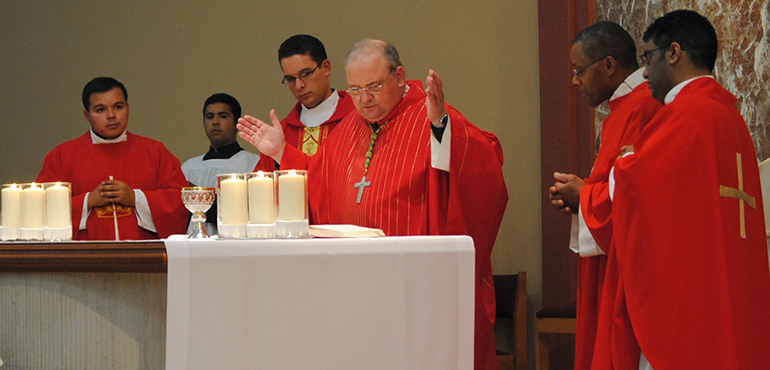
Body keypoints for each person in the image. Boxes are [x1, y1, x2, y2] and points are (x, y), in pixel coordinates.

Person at [237, 39, 508, 370]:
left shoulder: (430, 114)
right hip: (356, 290)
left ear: (399, 75)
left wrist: (441, 128)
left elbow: (485, 161)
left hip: (417, 290)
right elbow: (319, 179)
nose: (364, 99)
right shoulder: (350, 126)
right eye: (354, 89)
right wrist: (282, 153)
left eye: (374, 86)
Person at [594, 10, 770, 370]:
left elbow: (636, 186)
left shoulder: (685, 116)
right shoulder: (729, 118)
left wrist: (627, 160)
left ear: (673, 53)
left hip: (688, 299)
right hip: (726, 285)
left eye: (647, 57)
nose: (644, 72)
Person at [547, 21, 661, 370]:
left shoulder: (642, 108)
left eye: (579, 70)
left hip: (632, 270)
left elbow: (641, 197)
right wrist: (580, 195)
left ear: (609, 65)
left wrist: (584, 195)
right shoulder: (621, 109)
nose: (574, 81)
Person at [36, 77, 189, 240]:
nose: (111, 115)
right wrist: (88, 201)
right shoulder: (62, 156)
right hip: (84, 258)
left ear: (128, 109)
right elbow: (40, 209)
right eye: (100, 109)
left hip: (144, 256)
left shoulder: (155, 152)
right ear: (87, 115)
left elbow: (180, 200)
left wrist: (135, 198)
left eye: (118, 107)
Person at [253, 34, 355, 172]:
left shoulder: (359, 118)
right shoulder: (281, 134)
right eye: (290, 79)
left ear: (326, 68)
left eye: (306, 74)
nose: (299, 85)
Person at [181, 93, 260, 235]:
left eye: (223, 116)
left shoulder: (252, 164)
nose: (215, 122)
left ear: (237, 123)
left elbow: (251, 212)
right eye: (209, 117)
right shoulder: (188, 167)